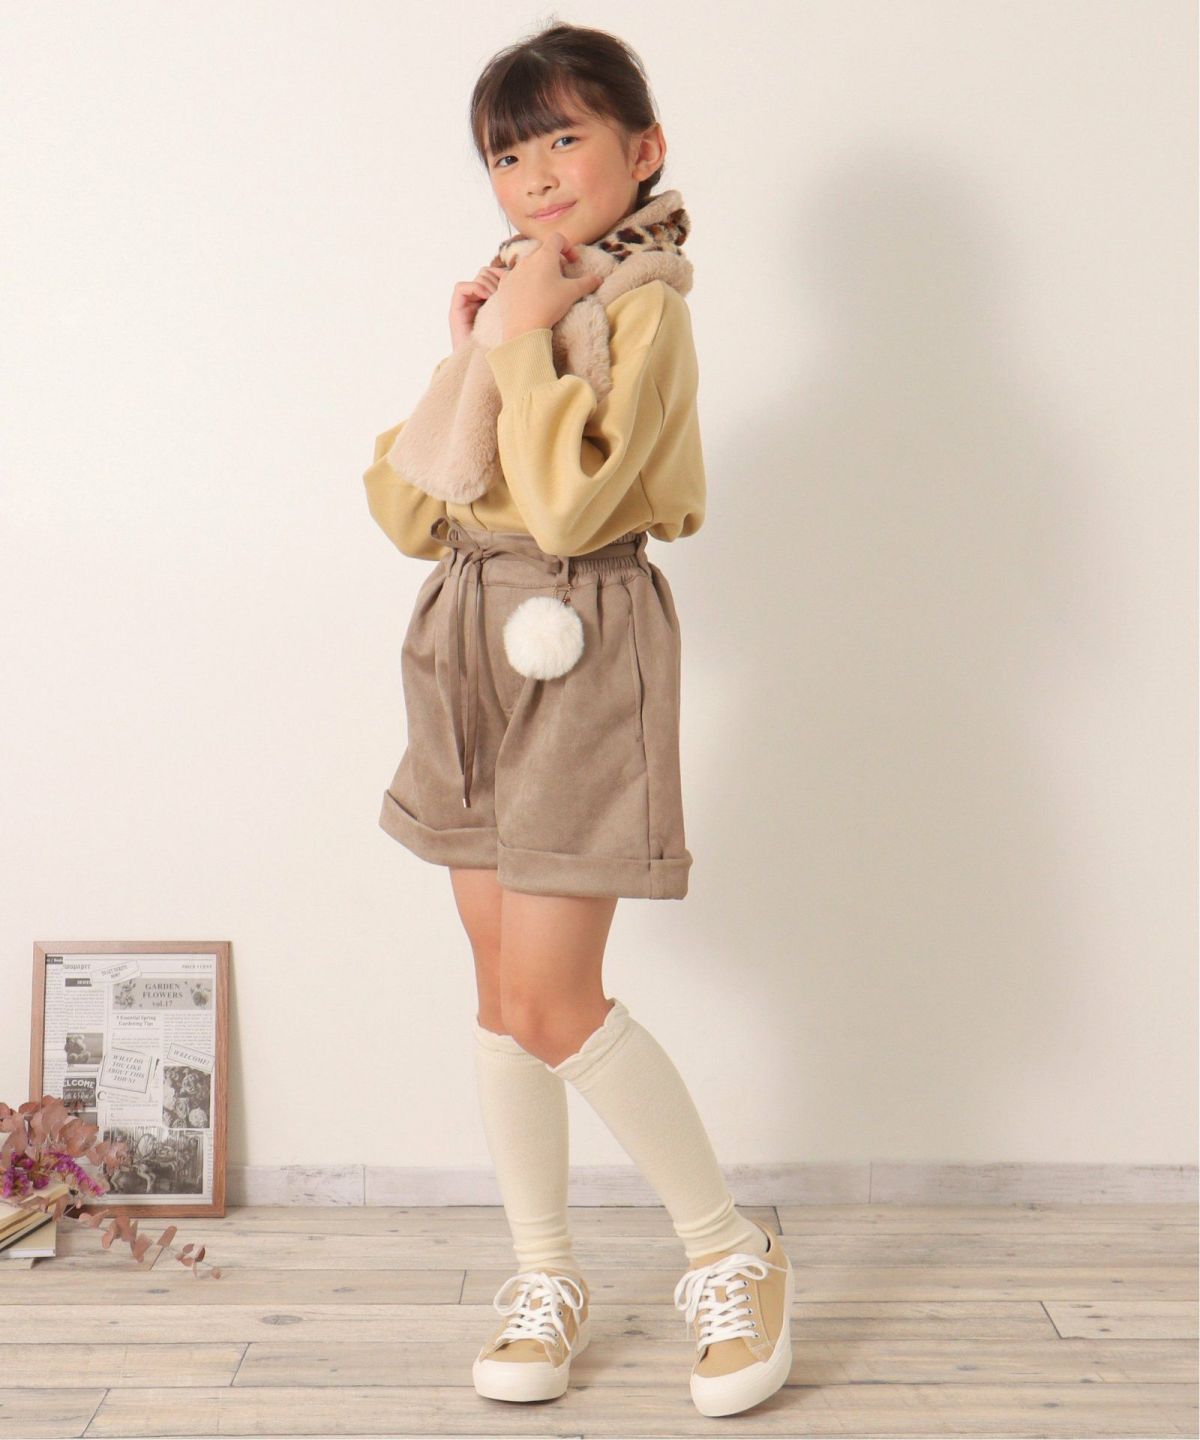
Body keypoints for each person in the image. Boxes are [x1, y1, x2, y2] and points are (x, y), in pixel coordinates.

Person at [361, 22, 793, 1420]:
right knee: (504, 998)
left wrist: (521, 349)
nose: (537, 175)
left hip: (579, 637)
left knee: (557, 997)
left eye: (566, 138)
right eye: (508, 153)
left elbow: (566, 510)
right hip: (464, 640)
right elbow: (407, 513)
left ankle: (731, 1252)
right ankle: (545, 1277)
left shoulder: (645, 308)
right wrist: (473, 354)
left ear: (642, 149)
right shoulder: (519, 299)